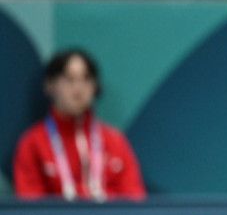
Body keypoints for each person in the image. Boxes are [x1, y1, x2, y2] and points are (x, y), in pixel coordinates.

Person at [13, 48, 146, 201]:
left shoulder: (115, 141)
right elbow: (30, 205)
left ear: (95, 87)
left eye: (86, 79)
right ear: (50, 85)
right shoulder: (32, 143)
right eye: (69, 79)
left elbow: (134, 200)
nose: (78, 87)